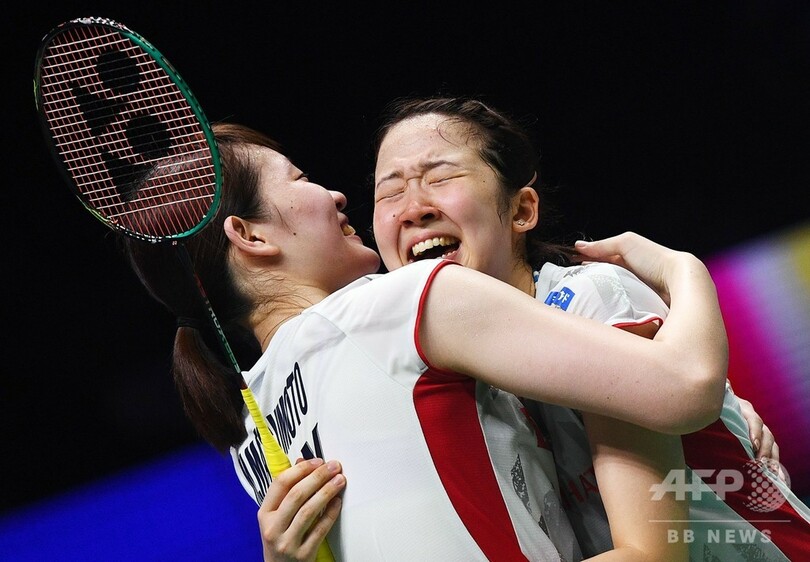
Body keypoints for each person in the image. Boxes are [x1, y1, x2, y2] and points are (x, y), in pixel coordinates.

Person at [120, 122, 730, 561]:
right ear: (249, 236)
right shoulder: (399, 303)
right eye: (299, 179)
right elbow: (685, 388)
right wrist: (681, 270)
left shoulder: (255, 439)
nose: (336, 195)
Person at [368, 95, 810, 560]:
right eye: (389, 192)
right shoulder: (447, 379)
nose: (414, 207)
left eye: (440, 177)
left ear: (521, 211)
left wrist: (684, 270)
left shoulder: (588, 297)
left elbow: (649, 553)